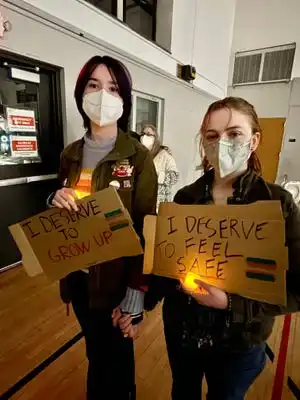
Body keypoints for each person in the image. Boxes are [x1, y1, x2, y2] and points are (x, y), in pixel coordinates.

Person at [141, 97, 300, 399]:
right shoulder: (185, 198)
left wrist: (229, 303)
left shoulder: (278, 204)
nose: (221, 143)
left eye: (234, 134)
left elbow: (296, 289)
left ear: (254, 140)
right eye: (212, 136)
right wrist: (137, 304)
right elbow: (167, 267)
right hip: (182, 333)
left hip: (239, 341)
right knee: (183, 391)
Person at [48, 55, 158, 400]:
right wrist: (54, 197)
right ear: (81, 93)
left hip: (117, 281)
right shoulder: (70, 154)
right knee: (96, 354)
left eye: (112, 87)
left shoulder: (138, 157)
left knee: (119, 360)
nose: (102, 95)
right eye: (94, 85)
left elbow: (146, 229)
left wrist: (136, 291)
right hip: (80, 277)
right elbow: (59, 216)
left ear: (124, 100)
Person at [140, 124, 179, 210]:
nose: (144, 137)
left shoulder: (165, 156)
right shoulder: (141, 155)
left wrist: (157, 176)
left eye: (148, 134)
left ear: (155, 137)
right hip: (144, 203)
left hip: (160, 204)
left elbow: (174, 177)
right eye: (143, 134)